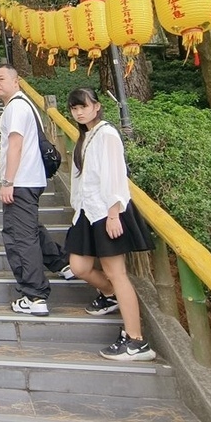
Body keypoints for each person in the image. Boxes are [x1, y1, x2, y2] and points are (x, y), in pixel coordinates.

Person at [64, 87, 156, 361]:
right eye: (74, 108)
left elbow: (116, 174)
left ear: (97, 106)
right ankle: (109, 294)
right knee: (79, 266)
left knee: (117, 274)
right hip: (87, 211)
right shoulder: (87, 136)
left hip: (106, 211)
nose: (79, 111)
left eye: (83, 106)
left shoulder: (106, 134)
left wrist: (114, 213)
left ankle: (136, 340)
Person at [0, 63, 72, 317]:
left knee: (19, 237)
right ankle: (61, 263)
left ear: (17, 81)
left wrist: (7, 182)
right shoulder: (25, 105)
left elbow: (15, 144)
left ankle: (34, 295)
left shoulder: (15, 107)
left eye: (1, 78)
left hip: (21, 181)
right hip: (31, 180)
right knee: (30, 228)